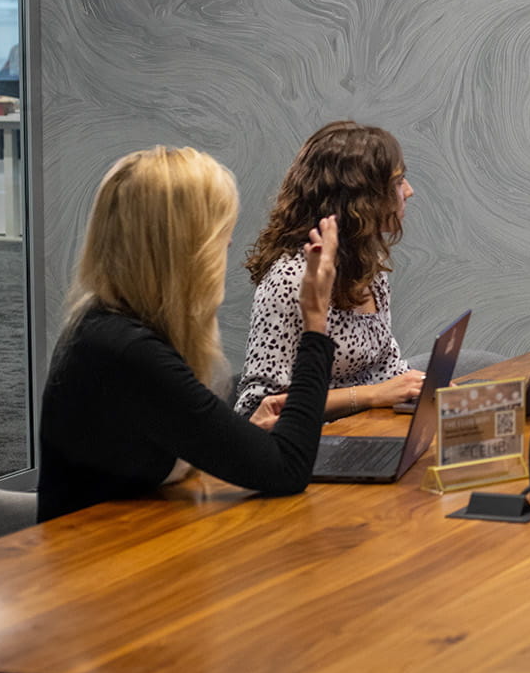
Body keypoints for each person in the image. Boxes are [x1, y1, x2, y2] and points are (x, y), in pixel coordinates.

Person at [37, 147, 337, 523]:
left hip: (133, 541)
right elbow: (287, 469)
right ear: (183, 249)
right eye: (219, 234)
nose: (227, 245)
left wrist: (237, 434)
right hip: (90, 564)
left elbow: (165, 442)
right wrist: (314, 319)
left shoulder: (111, 328)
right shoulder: (124, 350)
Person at [236, 122, 423, 425]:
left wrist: (423, 389)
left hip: (367, 426)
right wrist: (371, 395)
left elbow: (386, 367)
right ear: (360, 199)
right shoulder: (292, 279)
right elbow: (259, 409)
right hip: (311, 445)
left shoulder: (367, 261)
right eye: (398, 181)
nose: (409, 191)